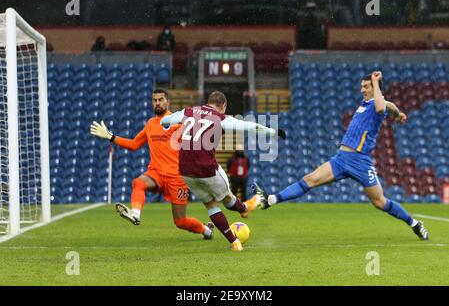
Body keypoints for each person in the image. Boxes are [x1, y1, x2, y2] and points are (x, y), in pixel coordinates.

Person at [252, 72, 430, 241]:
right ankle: (270, 200)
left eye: (366, 86)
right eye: (362, 86)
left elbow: (383, 105)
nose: (362, 89)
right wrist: (398, 114)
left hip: (360, 161)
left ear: (375, 88)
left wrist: (376, 84)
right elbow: (389, 105)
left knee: (380, 202)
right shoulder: (367, 103)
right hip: (342, 158)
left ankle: (414, 223)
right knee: (309, 179)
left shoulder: (377, 104)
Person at [161, 91, 286, 251]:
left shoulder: (189, 111)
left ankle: (235, 242)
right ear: (223, 106)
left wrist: (166, 124)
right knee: (227, 198)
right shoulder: (220, 117)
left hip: (185, 170)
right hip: (206, 168)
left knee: (210, 204)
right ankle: (246, 208)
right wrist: (273, 132)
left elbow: (166, 120)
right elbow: (249, 126)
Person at [90, 89, 214, 240]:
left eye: (161, 99)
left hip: (177, 178)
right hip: (156, 173)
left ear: (167, 102)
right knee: (138, 183)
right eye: (154, 100)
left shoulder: (177, 122)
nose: (157, 103)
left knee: (180, 221)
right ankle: (135, 214)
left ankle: (206, 230)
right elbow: (135, 144)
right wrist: (111, 137)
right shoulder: (150, 124)